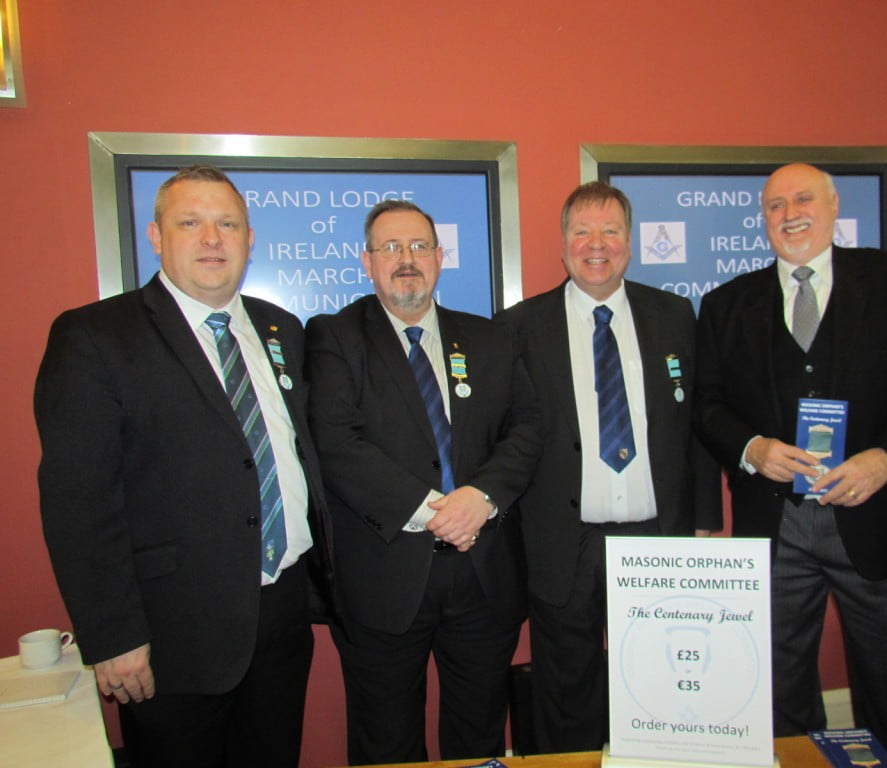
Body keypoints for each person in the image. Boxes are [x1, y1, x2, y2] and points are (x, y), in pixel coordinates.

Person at [35, 165, 332, 768]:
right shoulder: (96, 336)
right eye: (190, 223)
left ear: (250, 239)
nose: (212, 239)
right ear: (155, 236)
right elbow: (78, 501)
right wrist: (114, 637)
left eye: (228, 224)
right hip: (171, 630)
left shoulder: (282, 329)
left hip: (280, 613)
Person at [694, 163, 887, 768]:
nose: (789, 213)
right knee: (779, 690)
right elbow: (708, 405)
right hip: (777, 528)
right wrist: (753, 449)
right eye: (775, 205)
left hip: (875, 520)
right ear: (763, 220)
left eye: (803, 199)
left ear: (832, 206)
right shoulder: (727, 304)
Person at [305, 200, 542, 764]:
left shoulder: (490, 339)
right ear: (367, 262)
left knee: (479, 734)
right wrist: (436, 509)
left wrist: (479, 499)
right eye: (390, 248)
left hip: (483, 575)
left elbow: (528, 427)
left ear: (440, 257)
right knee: (386, 742)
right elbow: (336, 442)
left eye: (418, 247)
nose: (405, 259)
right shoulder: (335, 336)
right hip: (384, 579)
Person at [495, 181, 722, 753]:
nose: (596, 244)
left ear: (631, 241)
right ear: (563, 242)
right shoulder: (519, 327)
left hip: (657, 535)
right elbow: (507, 439)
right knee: (566, 695)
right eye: (582, 231)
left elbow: (694, 422)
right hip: (561, 544)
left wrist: (702, 522)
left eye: (611, 231)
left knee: (659, 687)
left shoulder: (674, 315)